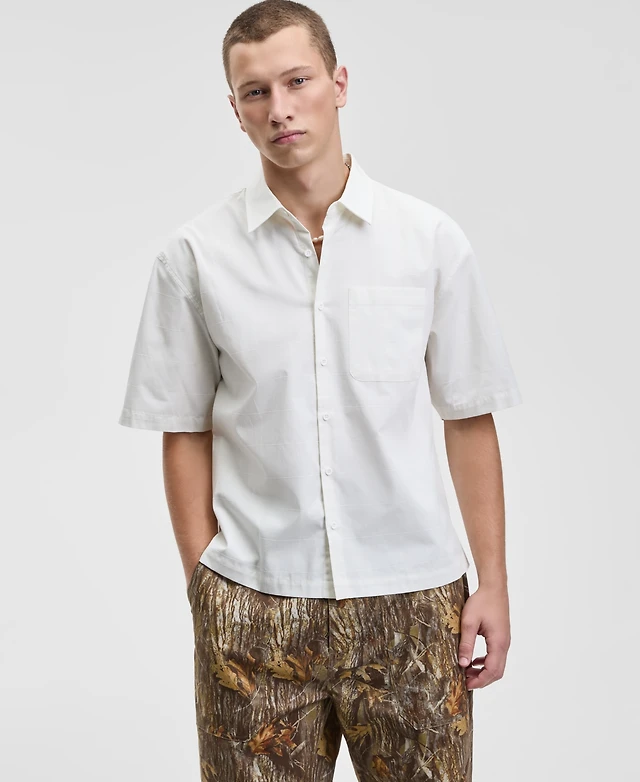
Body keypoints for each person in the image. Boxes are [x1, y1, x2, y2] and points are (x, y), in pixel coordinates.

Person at [117, 1, 523, 779]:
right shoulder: (195, 258)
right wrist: (206, 586)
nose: (280, 108)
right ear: (235, 110)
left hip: (415, 600)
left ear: (339, 84)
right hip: (255, 600)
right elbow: (184, 429)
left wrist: (494, 584)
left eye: (297, 81)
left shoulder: (429, 242)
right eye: (256, 91)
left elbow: (469, 418)